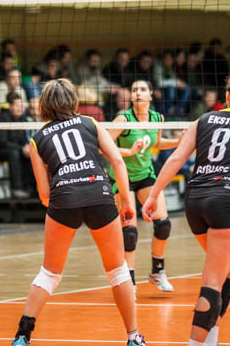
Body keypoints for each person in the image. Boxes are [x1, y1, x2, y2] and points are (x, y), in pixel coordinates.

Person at [9, 79, 146, 346]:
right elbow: (118, 161)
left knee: (50, 273)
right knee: (118, 270)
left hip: (64, 198)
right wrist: (126, 203)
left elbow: (44, 193)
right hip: (99, 194)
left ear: (44, 104)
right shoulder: (90, 123)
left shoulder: (37, 140)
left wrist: (62, 203)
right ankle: (133, 338)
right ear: (73, 100)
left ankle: (22, 336)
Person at [141, 74, 230, 346]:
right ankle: (196, 343)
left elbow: (176, 158)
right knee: (212, 282)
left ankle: (211, 338)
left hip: (195, 202)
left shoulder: (202, 120)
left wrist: (153, 195)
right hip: (226, 202)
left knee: (229, 269)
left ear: (227, 96)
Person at [109, 80, 180, 295]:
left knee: (163, 224)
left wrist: (179, 142)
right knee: (130, 232)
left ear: (150, 95)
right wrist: (128, 152)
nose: (138, 93)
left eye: (142, 90)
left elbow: (156, 143)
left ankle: (157, 271)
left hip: (145, 175)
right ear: (131, 96)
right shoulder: (123, 119)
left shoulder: (157, 118)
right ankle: (128, 280)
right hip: (123, 177)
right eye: (134, 90)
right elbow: (103, 147)